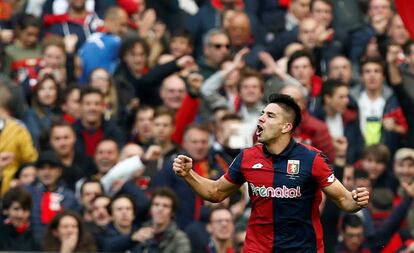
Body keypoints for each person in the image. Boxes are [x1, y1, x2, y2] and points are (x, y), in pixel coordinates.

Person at [173, 93, 370, 252]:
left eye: (270, 115)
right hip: (258, 248)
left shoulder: (311, 159)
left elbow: (344, 200)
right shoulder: (247, 158)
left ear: (286, 127)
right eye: (262, 113)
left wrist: (356, 200)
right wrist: (188, 174)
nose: (261, 118)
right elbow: (215, 192)